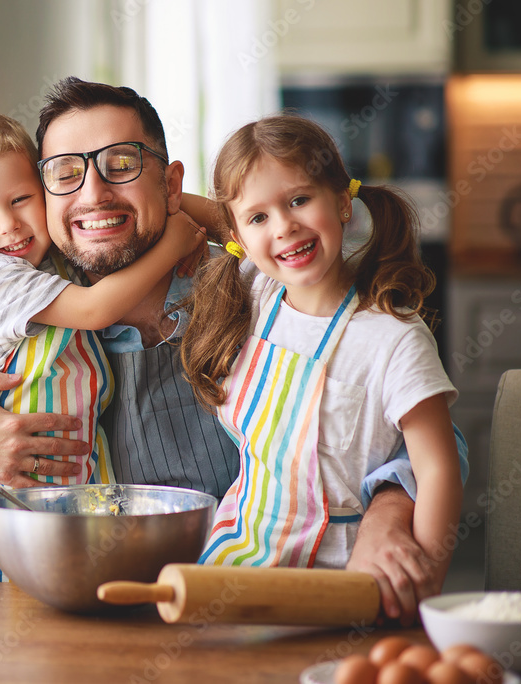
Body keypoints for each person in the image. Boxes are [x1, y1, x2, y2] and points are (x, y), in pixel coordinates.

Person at [0, 77, 466, 621]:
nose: (93, 193)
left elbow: (425, 430)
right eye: (65, 174)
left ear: (171, 184)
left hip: (230, 600)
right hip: (84, 612)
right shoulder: (32, 308)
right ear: (43, 195)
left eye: (121, 164)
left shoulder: (260, 290)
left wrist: (388, 510)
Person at [179, 115, 462, 581]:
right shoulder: (255, 293)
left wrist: (425, 581)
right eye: (259, 217)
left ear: (343, 202)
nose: (285, 226)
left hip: (339, 579)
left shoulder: (394, 339)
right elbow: (187, 210)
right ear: (237, 239)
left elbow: (437, 471)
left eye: (299, 199)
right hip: (234, 563)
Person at [0, 111, 203, 580]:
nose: (9, 225)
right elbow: (97, 310)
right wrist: (175, 242)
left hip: (59, 505)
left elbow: (119, 203)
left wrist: (172, 201)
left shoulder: (47, 264)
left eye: (20, 200)